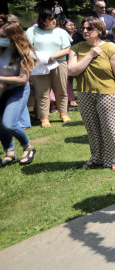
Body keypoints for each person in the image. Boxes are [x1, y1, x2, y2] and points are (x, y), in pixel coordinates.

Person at [68, 17, 115, 170]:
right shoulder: (76, 48)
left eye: (89, 29)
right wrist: (90, 55)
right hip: (84, 93)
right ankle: (97, 157)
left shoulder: (110, 47)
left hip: (107, 93)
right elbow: (72, 70)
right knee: (92, 128)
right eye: (83, 28)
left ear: (100, 30)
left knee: (109, 126)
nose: (85, 31)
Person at [26, 9, 72, 127]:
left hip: (59, 63)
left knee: (61, 89)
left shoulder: (60, 32)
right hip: (40, 64)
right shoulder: (32, 31)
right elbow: (27, 48)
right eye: (50, 18)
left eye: (54, 18)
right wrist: (42, 58)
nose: (54, 21)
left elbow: (67, 49)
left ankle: (63, 113)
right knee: (42, 92)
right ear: (43, 20)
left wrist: (51, 56)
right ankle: (44, 117)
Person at [0, 23, 37, 167]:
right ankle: (9, 152)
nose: (0, 39)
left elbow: (23, 79)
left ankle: (28, 148)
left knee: (9, 123)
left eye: (3, 36)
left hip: (18, 90)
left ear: (13, 37)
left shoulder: (25, 53)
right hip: (2, 90)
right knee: (0, 125)